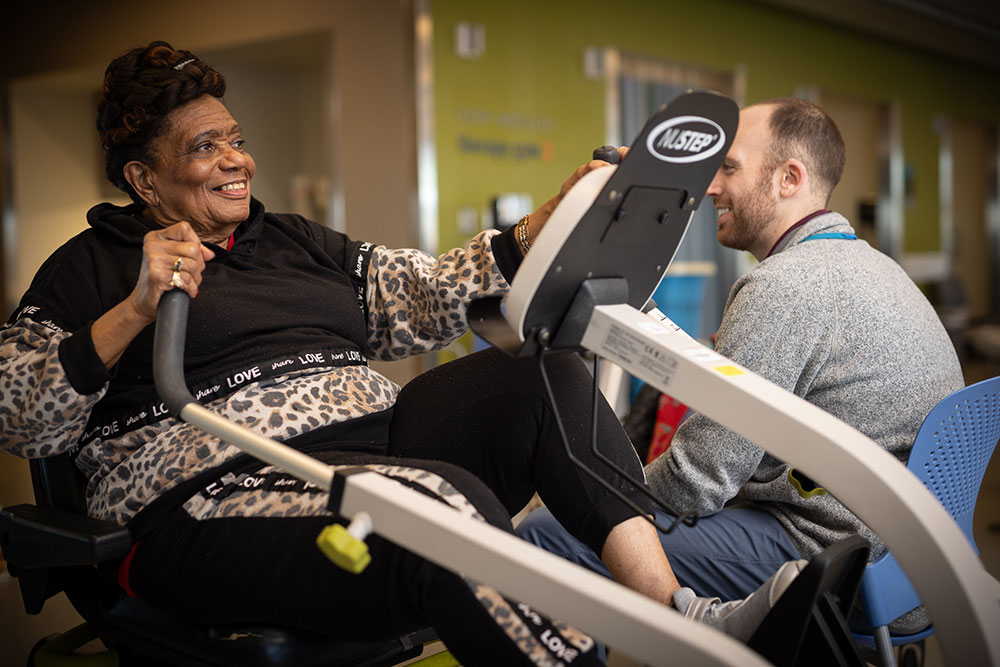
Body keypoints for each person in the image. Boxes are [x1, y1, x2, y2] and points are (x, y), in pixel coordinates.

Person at [0, 41, 795, 665]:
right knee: (440, 508)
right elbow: (20, 415)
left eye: (236, 140)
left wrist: (544, 222)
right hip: (213, 495)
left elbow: (419, 293)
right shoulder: (90, 265)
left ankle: (674, 620)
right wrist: (135, 308)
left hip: (376, 447)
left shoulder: (289, 238)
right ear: (144, 177)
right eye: (207, 147)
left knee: (544, 376)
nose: (237, 159)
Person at [517, 97, 965, 634]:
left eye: (728, 168)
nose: (710, 187)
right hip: (924, 566)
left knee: (550, 530)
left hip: (838, 562)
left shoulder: (784, 287)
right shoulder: (877, 269)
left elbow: (697, 481)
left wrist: (584, 492)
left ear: (789, 178)